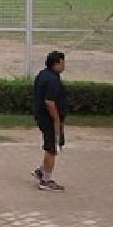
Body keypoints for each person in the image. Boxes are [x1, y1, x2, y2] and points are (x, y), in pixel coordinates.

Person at [31, 51, 69, 191]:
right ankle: (46, 181)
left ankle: (41, 171)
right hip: (49, 119)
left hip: (44, 117)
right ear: (56, 63)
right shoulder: (52, 79)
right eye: (62, 63)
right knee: (52, 148)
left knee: (56, 144)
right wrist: (57, 120)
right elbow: (49, 102)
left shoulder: (44, 74)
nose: (64, 66)